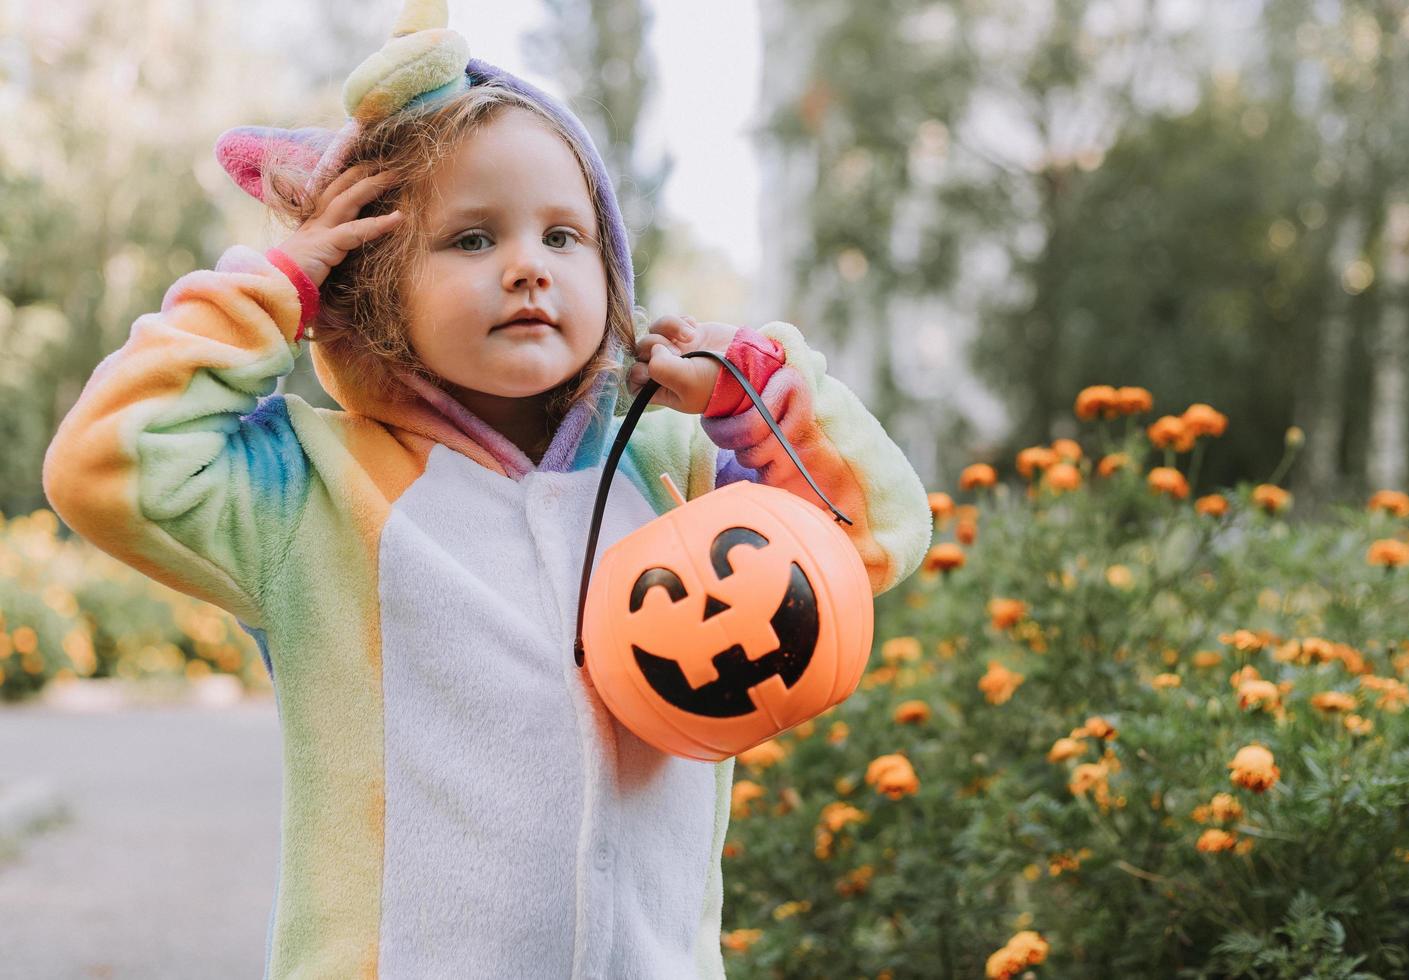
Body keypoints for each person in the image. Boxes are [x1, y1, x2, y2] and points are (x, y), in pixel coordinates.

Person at [42, 1, 933, 976]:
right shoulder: (314, 500)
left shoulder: (670, 466)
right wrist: (277, 291)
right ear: (373, 281)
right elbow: (103, 464)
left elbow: (870, 537)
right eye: (471, 239)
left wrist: (751, 394)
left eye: (564, 236)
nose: (526, 268)